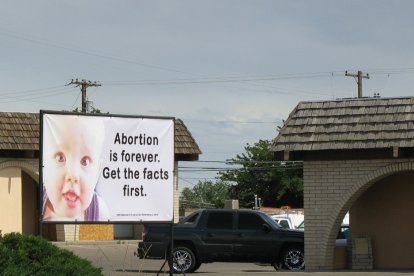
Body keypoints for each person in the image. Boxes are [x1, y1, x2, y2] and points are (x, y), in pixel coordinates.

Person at [42, 114, 110, 221]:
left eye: (85, 162)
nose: (73, 175)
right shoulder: (39, 204)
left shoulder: (99, 210)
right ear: (45, 164)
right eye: (60, 158)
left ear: (97, 172)